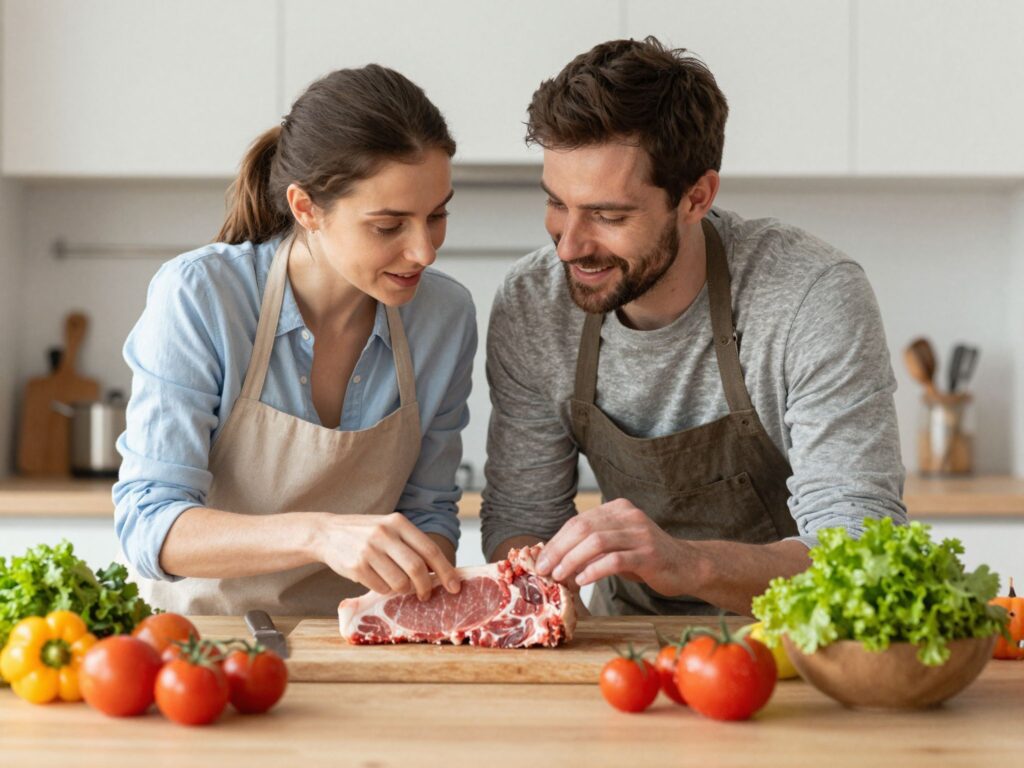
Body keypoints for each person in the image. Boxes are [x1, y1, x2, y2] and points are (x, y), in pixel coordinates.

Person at [480, 37, 907, 617]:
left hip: (794, 642)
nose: (569, 246)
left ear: (696, 198)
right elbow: (522, 517)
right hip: (623, 644)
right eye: (557, 203)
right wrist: (544, 599)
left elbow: (859, 548)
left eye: (608, 215)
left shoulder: (809, 294)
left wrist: (687, 563)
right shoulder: (534, 302)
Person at [114, 65, 476, 616]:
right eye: (388, 226)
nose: (424, 251)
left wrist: (410, 603)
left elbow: (428, 513)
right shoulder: (202, 295)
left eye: (438, 214)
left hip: (358, 644)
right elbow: (149, 524)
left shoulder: (444, 317)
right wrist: (319, 535)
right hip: (204, 642)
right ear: (306, 208)